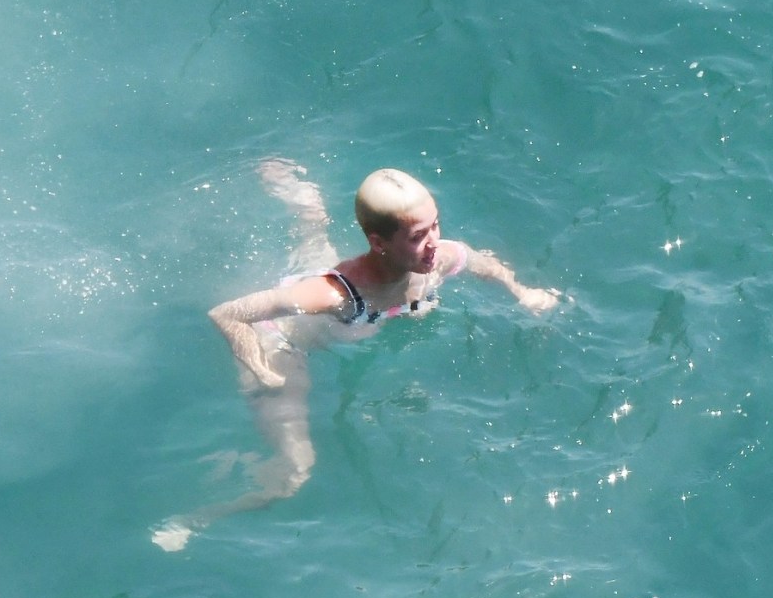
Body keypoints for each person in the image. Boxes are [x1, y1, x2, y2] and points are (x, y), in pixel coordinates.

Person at [151, 160, 560, 551]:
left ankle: (305, 203)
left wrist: (522, 292)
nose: (434, 242)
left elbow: (477, 260)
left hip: (340, 298)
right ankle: (194, 520)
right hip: (282, 343)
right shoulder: (334, 294)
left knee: (316, 248)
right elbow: (228, 314)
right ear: (378, 242)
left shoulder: (434, 259)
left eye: (436, 224)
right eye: (418, 235)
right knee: (294, 473)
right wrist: (259, 367)